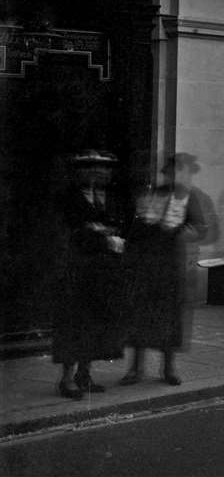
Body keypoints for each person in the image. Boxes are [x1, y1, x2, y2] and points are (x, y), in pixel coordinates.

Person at [120, 153, 207, 387]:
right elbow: (137, 227)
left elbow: (200, 228)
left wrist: (180, 232)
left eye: (178, 171)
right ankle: (135, 369)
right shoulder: (152, 194)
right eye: (170, 171)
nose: (174, 175)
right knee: (141, 315)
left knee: (170, 318)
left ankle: (168, 368)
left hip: (171, 264)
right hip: (147, 263)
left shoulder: (190, 198)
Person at [52, 150, 127, 399]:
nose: (98, 173)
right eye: (90, 168)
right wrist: (103, 237)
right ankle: (66, 379)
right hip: (77, 269)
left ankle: (84, 374)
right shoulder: (68, 198)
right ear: (80, 172)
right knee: (75, 323)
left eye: (104, 169)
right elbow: (72, 231)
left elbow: (120, 226)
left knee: (95, 323)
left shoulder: (111, 198)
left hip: (102, 271)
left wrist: (104, 233)